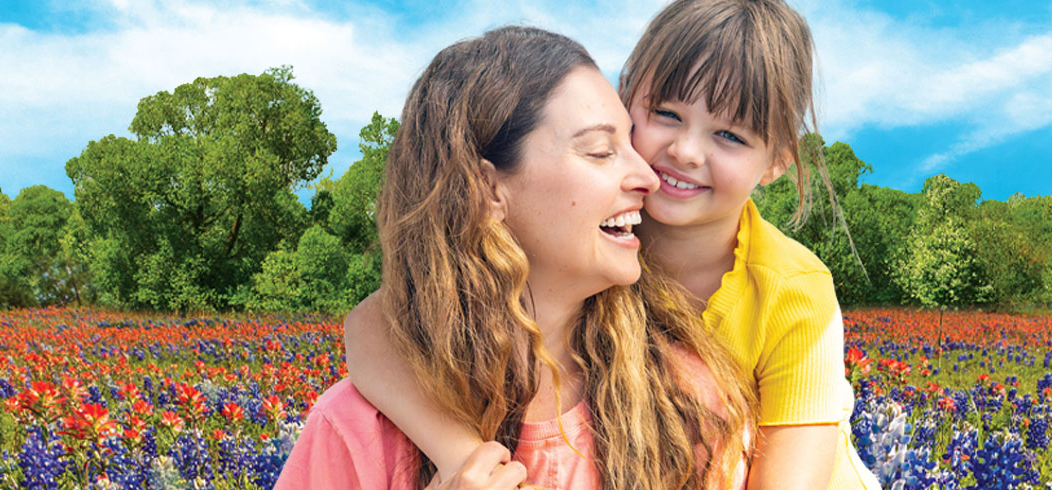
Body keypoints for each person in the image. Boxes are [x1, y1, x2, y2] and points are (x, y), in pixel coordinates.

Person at [346, 1, 879, 488]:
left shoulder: (795, 292)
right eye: (666, 114)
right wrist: (465, 457)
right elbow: (377, 325)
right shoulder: (600, 227)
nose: (686, 151)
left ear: (779, 160)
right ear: (627, 96)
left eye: (730, 136)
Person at [277, 26, 752, 490]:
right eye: (600, 151)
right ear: (486, 189)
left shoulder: (689, 407)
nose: (648, 176)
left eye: (631, 143)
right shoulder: (358, 430)